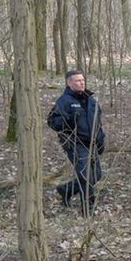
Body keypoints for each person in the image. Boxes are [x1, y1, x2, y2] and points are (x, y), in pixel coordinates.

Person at [47, 69, 106, 214]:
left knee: (96, 175)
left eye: (82, 80)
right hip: (75, 143)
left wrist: (101, 139)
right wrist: (66, 122)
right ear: (69, 83)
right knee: (86, 176)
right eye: (77, 81)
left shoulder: (91, 101)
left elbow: (98, 123)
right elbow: (52, 121)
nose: (81, 83)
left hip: (92, 143)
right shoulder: (64, 101)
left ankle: (66, 189)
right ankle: (88, 210)